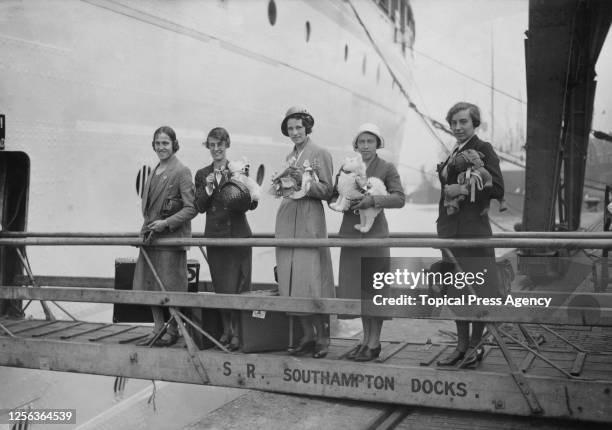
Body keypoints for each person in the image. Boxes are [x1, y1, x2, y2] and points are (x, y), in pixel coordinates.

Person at [436, 102, 504, 367]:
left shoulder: (483, 149)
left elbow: (497, 187)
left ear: (475, 123)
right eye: (454, 123)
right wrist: (450, 189)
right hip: (450, 231)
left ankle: (476, 347)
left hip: (473, 231)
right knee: (455, 291)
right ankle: (461, 346)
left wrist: (460, 190)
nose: (457, 127)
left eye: (463, 122)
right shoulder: (455, 151)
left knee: (477, 291)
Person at [333, 123, 405, 361]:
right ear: (356, 145)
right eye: (361, 142)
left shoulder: (386, 167)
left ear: (377, 144)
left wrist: (373, 200)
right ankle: (365, 340)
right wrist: (342, 196)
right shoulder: (347, 167)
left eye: (370, 141)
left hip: (375, 236)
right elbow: (335, 195)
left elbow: (399, 199)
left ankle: (374, 343)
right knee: (360, 291)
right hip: (352, 236)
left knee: (375, 291)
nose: (365, 146)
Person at [275, 106, 334, 359]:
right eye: (291, 129)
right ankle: (306, 335)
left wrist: (305, 182)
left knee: (311, 278)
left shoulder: (320, 153)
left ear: (307, 127)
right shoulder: (290, 155)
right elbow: (290, 187)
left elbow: (329, 190)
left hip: (309, 220)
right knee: (290, 278)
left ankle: (322, 337)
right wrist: (281, 185)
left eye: (299, 127)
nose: (295, 132)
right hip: (288, 219)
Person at [194, 127, 257, 351]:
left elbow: (252, 203)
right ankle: (227, 331)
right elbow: (199, 207)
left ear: (227, 144)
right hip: (216, 237)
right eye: (212, 144)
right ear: (208, 147)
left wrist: (241, 189)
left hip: (239, 235)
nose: (216, 149)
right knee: (222, 286)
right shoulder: (202, 174)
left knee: (241, 286)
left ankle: (240, 333)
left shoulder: (239, 169)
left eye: (220, 144)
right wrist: (209, 187)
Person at [134, 126, 197, 347]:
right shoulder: (154, 171)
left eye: (165, 143)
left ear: (174, 144)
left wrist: (166, 224)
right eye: (158, 143)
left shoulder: (181, 171)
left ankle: (173, 329)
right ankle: (158, 327)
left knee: (170, 286)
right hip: (151, 236)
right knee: (150, 283)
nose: (161, 147)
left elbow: (191, 208)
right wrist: (151, 226)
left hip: (170, 239)